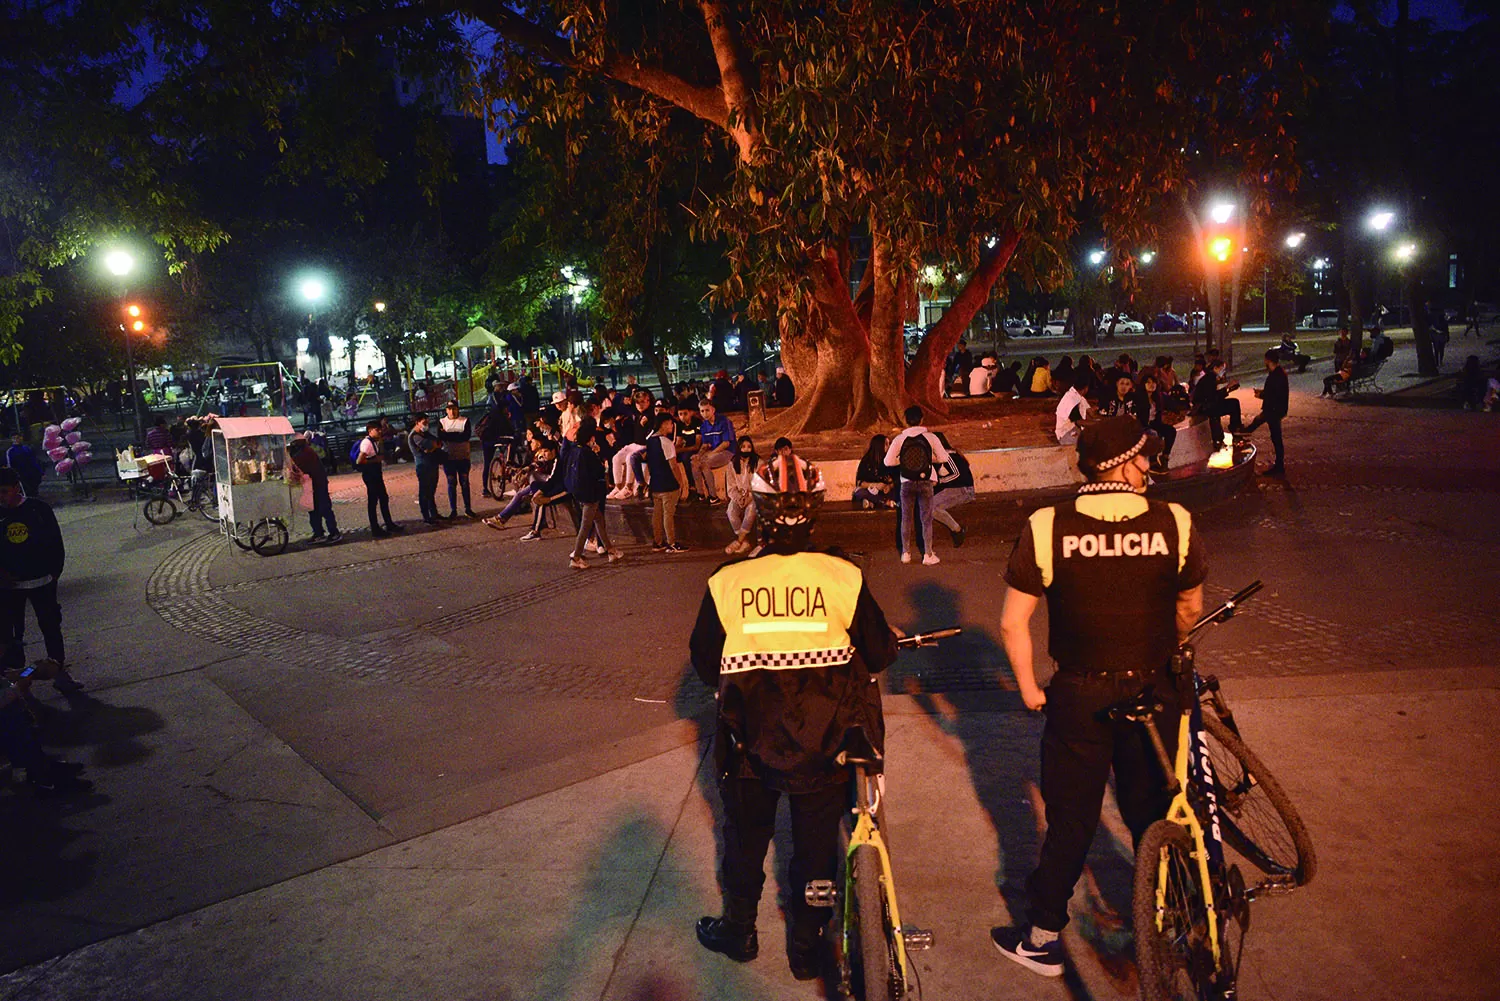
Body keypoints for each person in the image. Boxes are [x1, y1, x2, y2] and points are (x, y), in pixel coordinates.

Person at [990, 416, 1207, 977]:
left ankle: (1041, 938)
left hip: (1079, 693)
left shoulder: (1046, 525)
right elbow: (1189, 607)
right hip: (1154, 687)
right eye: (1143, 458)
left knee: (1071, 819)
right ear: (1124, 465)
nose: (1149, 467)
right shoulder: (1173, 521)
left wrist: (1029, 689)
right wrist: (1170, 646)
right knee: (1155, 810)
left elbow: (1013, 623)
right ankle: (1175, 923)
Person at [689, 460, 899, 980]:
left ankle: (739, 931)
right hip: (825, 741)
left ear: (760, 513)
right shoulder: (842, 575)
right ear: (815, 513)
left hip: (748, 738)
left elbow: (704, 661)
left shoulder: (728, 581)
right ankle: (807, 950)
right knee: (814, 846)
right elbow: (878, 653)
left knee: (744, 836)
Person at [0, 468, 81, 691]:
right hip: (10, 587)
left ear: (16, 488)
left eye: (4, 491)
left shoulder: (38, 509)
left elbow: (55, 542)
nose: (1, 497)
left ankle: (58, 671)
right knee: (13, 634)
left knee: (51, 627)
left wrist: (55, 572)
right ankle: (18, 678)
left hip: (42, 582)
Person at [883, 406, 951, 566]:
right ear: (922, 419)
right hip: (926, 481)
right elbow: (944, 458)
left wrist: (903, 461)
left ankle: (906, 553)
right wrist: (928, 459)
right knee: (926, 519)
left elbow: (888, 461)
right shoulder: (931, 437)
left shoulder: (899, 439)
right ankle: (928, 554)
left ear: (906, 421)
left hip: (906, 482)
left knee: (905, 519)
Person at [562, 416, 622, 569]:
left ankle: (610, 550)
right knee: (586, 525)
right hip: (591, 494)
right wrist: (598, 457)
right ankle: (576, 556)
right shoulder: (587, 453)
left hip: (579, 492)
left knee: (598, 520)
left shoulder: (575, 450)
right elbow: (598, 471)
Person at [1243, 348, 1289, 476]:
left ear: (1268, 360)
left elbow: (1274, 394)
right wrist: (1262, 393)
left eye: (1265, 360)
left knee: (1276, 437)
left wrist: (1261, 395)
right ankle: (1245, 432)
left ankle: (1279, 467)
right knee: (1259, 422)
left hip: (1274, 410)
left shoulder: (1276, 375)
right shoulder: (1277, 373)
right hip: (1273, 409)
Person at [645, 412, 686, 553]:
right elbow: (673, 465)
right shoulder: (666, 442)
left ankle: (658, 542)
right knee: (668, 515)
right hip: (668, 484)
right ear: (663, 424)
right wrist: (680, 482)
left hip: (655, 484)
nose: (672, 426)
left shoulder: (650, 441)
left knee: (657, 514)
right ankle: (672, 542)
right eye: (670, 423)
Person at [355, 421, 403, 538]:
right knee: (373, 501)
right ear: (370, 430)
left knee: (383, 498)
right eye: (377, 430)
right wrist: (375, 460)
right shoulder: (367, 443)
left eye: (380, 429)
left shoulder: (375, 441)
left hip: (375, 474)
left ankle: (388, 523)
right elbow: (359, 461)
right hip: (371, 475)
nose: (380, 431)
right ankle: (375, 528)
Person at [287, 437, 340, 544]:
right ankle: (319, 533)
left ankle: (334, 533)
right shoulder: (304, 450)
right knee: (313, 509)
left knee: (324, 508)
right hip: (312, 484)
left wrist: (288, 460)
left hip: (318, 483)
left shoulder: (305, 452)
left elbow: (298, 466)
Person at [930, 431, 973, 547]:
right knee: (931, 507)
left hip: (962, 489)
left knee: (931, 507)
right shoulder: (945, 456)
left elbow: (957, 474)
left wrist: (939, 481)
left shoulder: (948, 456)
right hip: (959, 488)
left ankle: (957, 530)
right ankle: (957, 530)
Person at [1190, 359, 1242, 447]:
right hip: (1204, 406)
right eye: (1222, 369)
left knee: (1233, 403)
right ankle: (1235, 432)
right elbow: (1213, 397)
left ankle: (1235, 431)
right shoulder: (1210, 378)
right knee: (1234, 404)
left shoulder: (1211, 377)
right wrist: (1227, 388)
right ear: (1215, 368)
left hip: (1207, 405)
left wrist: (1228, 389)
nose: (1223, 372)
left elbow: (1214, 396)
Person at [438, 400, 476, 518]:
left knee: (464, 482)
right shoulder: (442, 422)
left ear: (458, 409)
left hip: (463, 457)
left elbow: (466, 436)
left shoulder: (465, 421)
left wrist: (449, 435)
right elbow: (441, 436)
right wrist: (457, 435)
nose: (452, 411)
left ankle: (468, 509)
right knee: (451, 483)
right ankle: (453, 510)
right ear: (446, 410)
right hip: (448, 458)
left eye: (454, 408)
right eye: (450, 409)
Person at [695, 400, 736, 504]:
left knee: (705, 463)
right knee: (694, 462)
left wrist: (711, 454)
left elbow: (726, 443)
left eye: (707, 410)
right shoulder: (704, 426)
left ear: (713, 410)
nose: (705, 414)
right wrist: (699, 454)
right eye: (702, 411)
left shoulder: (724, 421)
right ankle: (700, 494)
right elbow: (705, 444)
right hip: (714, 451)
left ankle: (713, 496)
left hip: (727, 451)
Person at [407, 412, 445, 525]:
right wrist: (433, 446)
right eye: (424, 423)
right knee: (424, 492)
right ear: (417, 422)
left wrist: (433, 447)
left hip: (431, 464)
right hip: (423, 466)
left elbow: (437, 442)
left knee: (431, 491)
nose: (426, 425)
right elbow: (429, 445)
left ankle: (433, 513)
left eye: (427, 422)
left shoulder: (424, 433)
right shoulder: (414, 436)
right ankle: (426, 516)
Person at [723, 437, 759, 554]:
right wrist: (738, 498)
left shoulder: (757, 463)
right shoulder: (732, 464)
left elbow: (759, 485)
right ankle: (745, 542)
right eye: (743, 447)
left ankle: (738, 541)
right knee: (731, 512)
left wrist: (749, 497)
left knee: (751, 510)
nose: (746, 449)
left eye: (749, 447)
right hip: (738, 495)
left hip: (754, 496)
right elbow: (731, 487)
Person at [476, 399, 513, 499]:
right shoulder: (502, 417)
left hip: (486, 441)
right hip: (497, 440)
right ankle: (505, 468)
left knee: (487, 464)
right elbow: (509, 430)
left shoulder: (490, 414)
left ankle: (485, 489)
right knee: (507, 450)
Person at [851, 434, 895, 510]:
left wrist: (889, 486)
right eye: (886, 444)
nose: (889, 446)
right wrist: (875, 485)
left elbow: (895, 479)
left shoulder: (889, 460)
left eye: (889, 444)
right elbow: (860, 482)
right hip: (870, 491)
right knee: (859, 493)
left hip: (884, 493)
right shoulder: (866, 461)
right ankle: (883, 502)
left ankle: (873, 502)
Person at [1053, 371, 1092, 445]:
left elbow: (1090, 412)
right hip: (1065, 433)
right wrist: (1098, 424)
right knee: (1088, 444)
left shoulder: (1077, 395)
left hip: (1072, 428)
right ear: (1086, 388)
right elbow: (1079, 421)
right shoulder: (1072, 400)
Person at [6, 434, 44, 499]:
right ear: (12, 439)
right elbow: (10, 465)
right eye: (14, 438)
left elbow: (34, 461)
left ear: (21, 438)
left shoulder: (27, 448)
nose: (16, 439)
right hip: (20, 474)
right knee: (25, 492)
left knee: (33, 491)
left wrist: (40, 471)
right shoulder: (11, 451)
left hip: (31, 473)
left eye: (18, 437)